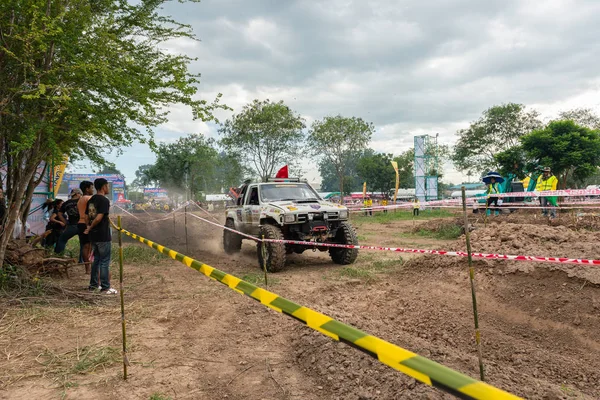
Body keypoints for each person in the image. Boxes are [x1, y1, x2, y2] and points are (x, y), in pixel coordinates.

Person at [85, 178, 117, 294]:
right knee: (104, 261)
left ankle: (93, 285)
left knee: (96, 260)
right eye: (107, 186)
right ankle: (105, 287)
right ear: (103, 187)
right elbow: (99, 217)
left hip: (93, 236)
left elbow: (87, 217)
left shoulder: (91, 199)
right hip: (102, 235)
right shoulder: (104, 200)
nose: (108, 188)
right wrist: (91, 227)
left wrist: (88, 227)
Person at [54, 189, 83, 255]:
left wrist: (66, 222)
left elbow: (59, 214)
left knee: (62, 240)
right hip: (82, 225)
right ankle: (82, 261)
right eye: (81, 194)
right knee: (83, 243)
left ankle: (59, 256)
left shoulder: (66, 203)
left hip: (72, 226)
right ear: (77, 194)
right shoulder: (82, 201)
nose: (81, 196)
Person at [77, 181, 94, 273]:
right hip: (86, 223)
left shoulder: (81, 199)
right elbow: (92, 213)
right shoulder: (89, 198)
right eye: (92, 188)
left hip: (80, 223)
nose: (93, 190)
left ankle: (87, 268)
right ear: (87, 189)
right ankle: (88, 268)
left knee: (86, 245)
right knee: (87, 246)